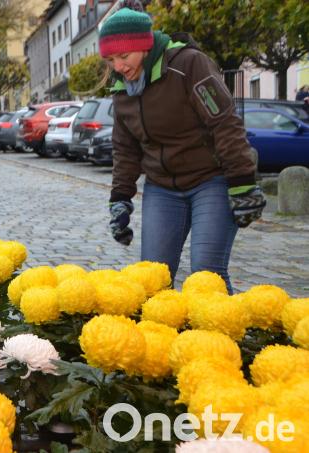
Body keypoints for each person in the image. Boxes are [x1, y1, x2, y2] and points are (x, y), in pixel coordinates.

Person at [100, 7, 265, 292]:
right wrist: (120, 199)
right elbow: (125, 149)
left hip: (210, 180)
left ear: (145, 44)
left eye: (124, 56)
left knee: (206, 274)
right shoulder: (121, 88)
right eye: (111, 59)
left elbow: (224, 123)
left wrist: (242, 183)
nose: (119, 66)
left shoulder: (188, 65)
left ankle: (219, 321)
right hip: (162, 187)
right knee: (152, 279)